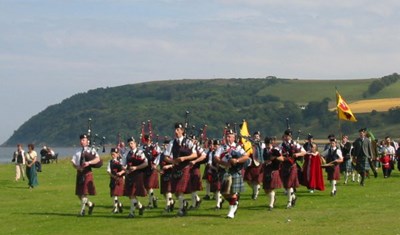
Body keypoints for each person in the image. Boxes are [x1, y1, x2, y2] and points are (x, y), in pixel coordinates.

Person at [163, 123, 198, 216]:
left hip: (185, 168)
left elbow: (195, 155)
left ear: (182, 131)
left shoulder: (188, 142)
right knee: (176, 191)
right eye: (175, 129)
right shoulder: (171, 143)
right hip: (176, 168)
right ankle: (184, 204)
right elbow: (165, 156)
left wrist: (184, 158)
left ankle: (181, 210)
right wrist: (173, 161)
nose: (176, 131)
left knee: (179, 190)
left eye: (178, 129)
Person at [215, 129, 250, 219]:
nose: (228, 138)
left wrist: (237, 160)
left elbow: (246, 157)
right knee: (224, 192)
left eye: (230, 136)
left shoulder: (238, 147)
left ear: (234, 138)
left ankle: (231, 212)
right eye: (227, 136)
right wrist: (224, 163)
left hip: (234, 171)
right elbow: (216, 158)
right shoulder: (222, 147)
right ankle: (234, 202)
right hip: (225, 170)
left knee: (232, 192)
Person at [71, 134, 101, 216]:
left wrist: (89, 162)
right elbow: (73, 162)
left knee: (84, 193)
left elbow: (98, 159)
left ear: (87, 141)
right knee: (79, 194)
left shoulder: (91, 150)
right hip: (80, 173)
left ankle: (82, 211)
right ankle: (90, 205)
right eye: (81, 140)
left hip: (87, 173)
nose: (82, 141)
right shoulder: (77, 151)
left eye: (83, 140)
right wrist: (77, 167)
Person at [279, 129, 306, 209]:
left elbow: (304, 152)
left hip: (292, 166)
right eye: (286, 136)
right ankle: (293, 197)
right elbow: (277, 154)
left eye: (289, 136)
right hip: (284, 166)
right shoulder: (281, 145)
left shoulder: (295, 144)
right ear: (284, 136)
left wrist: (297, 154)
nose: (287, 137)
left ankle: (289, 202)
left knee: (289, 185)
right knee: (286, 185)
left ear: (291, 136)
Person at [123, 137, 148, 218]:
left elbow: (146, 163)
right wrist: (125, 170)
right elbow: (123, 164)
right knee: (130, 195)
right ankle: (140, 207)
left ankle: (132, 212)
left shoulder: (140, 152)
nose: (131, 145)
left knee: (132, 193)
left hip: (138, 175)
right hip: (129, 175)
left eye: (132, 143)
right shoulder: (126, 153)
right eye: (129, 143)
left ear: (135, 143)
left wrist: (136, 167)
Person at [262, 136, 283, 210]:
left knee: (270, 188)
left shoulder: (275, 150)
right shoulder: (263, 150)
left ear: (271, 143)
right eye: (266, 144)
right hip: (266, 169)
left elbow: (282, 158)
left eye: (269, 144)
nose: (268, 145)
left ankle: (271, 205)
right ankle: (273, 198)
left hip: (273, 170)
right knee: (266, 189)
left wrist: (274, 158)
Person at [141, 134, 161, 209]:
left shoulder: (155, 147)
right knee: (146, 186)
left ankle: (151, 203)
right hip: (144, 168)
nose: (147, 141)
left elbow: (158, 156)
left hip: (152, 168)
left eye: (148, 139)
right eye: (146, 140)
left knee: (149, 186)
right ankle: (153, 199)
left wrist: (155, 164)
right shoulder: (141, 148)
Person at [244, 131, 265, 200]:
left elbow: (256, 143)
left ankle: (255, 194)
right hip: (251, 163)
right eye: (255, 136)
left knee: (256, 180)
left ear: (260, 137)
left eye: (257, 136)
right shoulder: (250, 144)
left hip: (259, 163)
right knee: (248, 179)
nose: (256, 138)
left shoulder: (262, 144)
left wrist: (249, 139)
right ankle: (256, 189)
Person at [159, 137, 176, 213]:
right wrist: (159, 170)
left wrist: (168, 166)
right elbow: (154, 165)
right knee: (164, 192)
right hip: (163, 174)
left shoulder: (173, 154)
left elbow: (176, 164)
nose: (165, 146)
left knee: (168, 191)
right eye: (165, 144)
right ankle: (171, 202)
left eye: (167, 145)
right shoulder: (161, 155)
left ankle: (167, 207)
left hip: (171, 173)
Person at [107, 147, 125, 213]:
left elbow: (124, 169)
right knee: (114, 194)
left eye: (114, 154)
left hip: (119, 179)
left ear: (118, 154)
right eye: (112, 154)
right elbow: (108, 171)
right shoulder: (110, 162)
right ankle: (119, 205)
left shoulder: (121, 161)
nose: (113, 155)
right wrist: (113, 176)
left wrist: (120, 173)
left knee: (115, 194)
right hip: (113, 179)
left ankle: (115, 208)